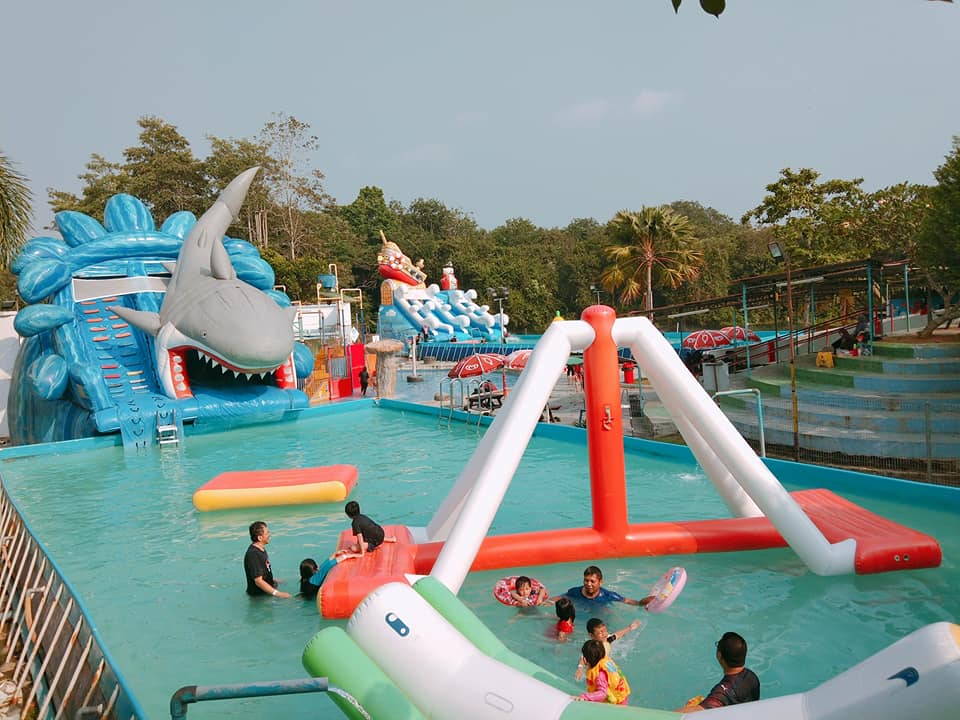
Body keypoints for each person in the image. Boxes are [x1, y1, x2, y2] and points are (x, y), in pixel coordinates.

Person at [677, 631, 760, 712]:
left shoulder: (722, 692)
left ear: (719, 655)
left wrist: (695, 707)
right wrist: (708, 701)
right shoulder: (752, 676)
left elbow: (701, 709)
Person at [555, 565, 653, 609]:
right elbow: (561, 597)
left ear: (600, 582)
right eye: (586, 580)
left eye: (592, 581)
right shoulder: (574, 592)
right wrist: (548, 601)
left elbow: (629, 601)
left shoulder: (608, 595)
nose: (588, 584)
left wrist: (642, 603)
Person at [575, 639, 632, 705]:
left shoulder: (600, 675)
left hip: (617, 704)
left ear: (585, 659)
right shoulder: (604, 661)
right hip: (621, 696)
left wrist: (584, 697)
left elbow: (602, 694)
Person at [243, 521, 290, 598]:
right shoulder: (253, 554)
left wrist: (273, 580)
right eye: (267, 533)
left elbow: (263, 570)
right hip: (259, 596)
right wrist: (278, 594)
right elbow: (258, 581)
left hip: (267, 591)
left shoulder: (260, 549)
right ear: (260, 538)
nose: (269, 535)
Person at [298, 550, 363, 599]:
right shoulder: (316, 578)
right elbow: (329, 565)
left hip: (305, 594)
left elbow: (324, 565)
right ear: (315, 569)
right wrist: (348, 556)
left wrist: (335, 554)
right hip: (310, 597)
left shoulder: (305, 578)